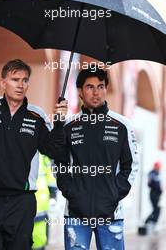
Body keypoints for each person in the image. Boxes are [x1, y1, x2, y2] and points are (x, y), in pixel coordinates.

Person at [56, 66, 138, 250]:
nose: (96, 92)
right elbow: (58, 162)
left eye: (101, 86)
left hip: (111, 213)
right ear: (80, 92)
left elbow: (131, 165)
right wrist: (71, 192)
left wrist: (114, 195)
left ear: (106, 89)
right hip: (76, 213)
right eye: (90, 87)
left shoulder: (121, 125)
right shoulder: (68, 125)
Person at [0, 59, 67, 250]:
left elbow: (54, 151)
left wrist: (59, 122)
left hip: (22, 202)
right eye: (15, 79)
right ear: (3, 83)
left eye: (25, 80)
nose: (20, 85)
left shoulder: (37, 116)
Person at [145, 161, 162, 228]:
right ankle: (149, 221)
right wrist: (157, 188)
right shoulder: (152, 173)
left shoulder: (157, 173)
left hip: (157, 194)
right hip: (153, 194)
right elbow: (149, 184)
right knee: (156, 209)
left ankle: (152, 222)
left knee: (157, 209)